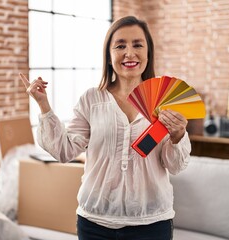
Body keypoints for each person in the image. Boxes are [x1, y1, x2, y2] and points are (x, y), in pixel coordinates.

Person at [20, 15, 190, 240]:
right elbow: (64, 151)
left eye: (137, 44)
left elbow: (175, 166)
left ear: (148, 53)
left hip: (151, 223)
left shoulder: (165, 101)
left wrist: (178, 136)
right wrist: (43, 105)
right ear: (109, 57)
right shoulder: (91, 99)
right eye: (120, 46)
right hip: (94, 223)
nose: (129, 53)